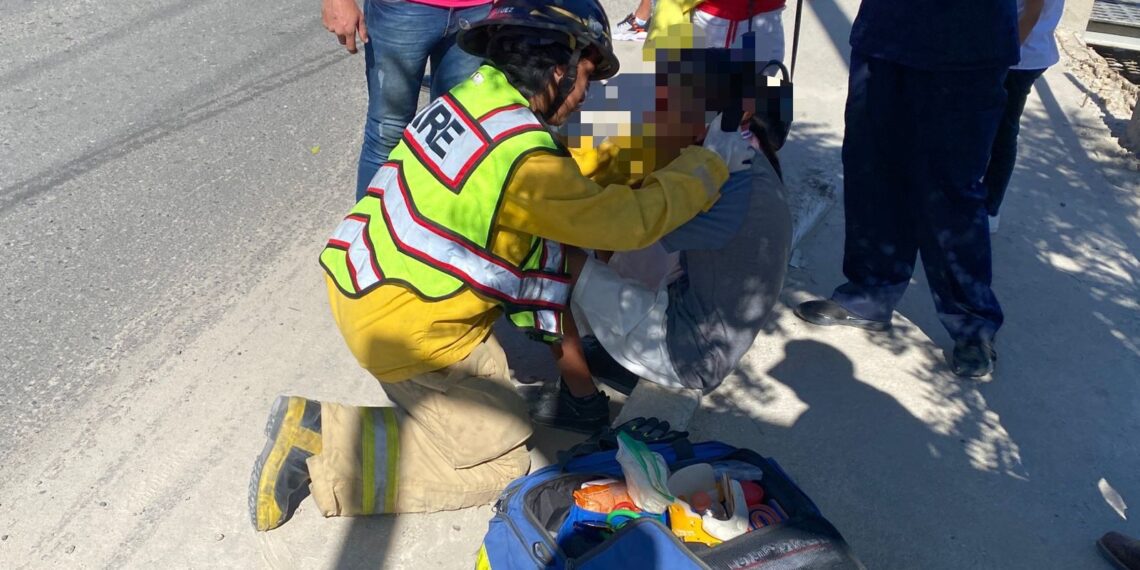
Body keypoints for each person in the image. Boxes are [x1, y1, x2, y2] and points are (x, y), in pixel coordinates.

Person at [249, 0, 754, 531]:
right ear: (558, 69)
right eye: (586, 77)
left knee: (503, 419)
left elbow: (566, 197)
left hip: (366, 278)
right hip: (409, 329)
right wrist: (708, 164)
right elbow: (628, 223)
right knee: (502, 463)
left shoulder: (477, 98)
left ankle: (354, 429)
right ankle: (323, 450)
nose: (587, 95)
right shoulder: (527, 161)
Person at [791, 0, 1044, 378]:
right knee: (870, 168)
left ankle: (972, 323)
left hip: (970, 50)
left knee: (952, 189)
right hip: (885, 36)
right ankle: (869, 294)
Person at [532, 118, 793, 431]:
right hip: (709, 330)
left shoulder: (720, 183)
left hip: (690, 358)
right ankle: (610, 350)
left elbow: (616, 225)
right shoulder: (745, 152)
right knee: (620, 218)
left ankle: (581, 400)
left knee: (544, 251)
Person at [320, 0, 492, 201]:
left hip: (481, 11)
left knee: (458, 139)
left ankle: (429, 230)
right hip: (400, 9)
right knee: (387, 136)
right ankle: (366, 230)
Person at [982, 0, 1064, 234]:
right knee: (996, 129)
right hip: (1021, 53)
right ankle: (985, 203)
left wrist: (1005, 57)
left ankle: (990, 207)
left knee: (1002, 133)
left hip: (1019, 58)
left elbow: (1032, 13)